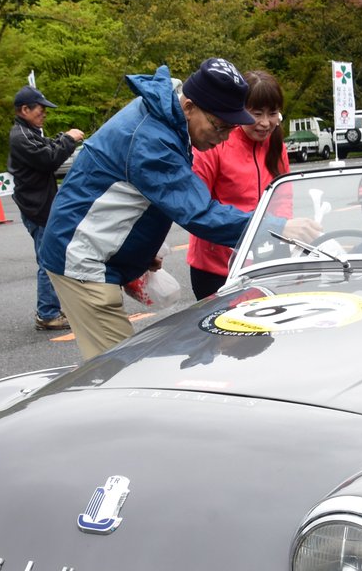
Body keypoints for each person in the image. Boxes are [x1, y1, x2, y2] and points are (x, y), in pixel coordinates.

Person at [39, 58, 321, 360]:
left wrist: (143, 248)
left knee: (116, 366)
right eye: (220, 126)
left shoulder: (168, 118)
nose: (225, 136)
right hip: (81, 258)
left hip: (94, 249)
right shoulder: (152, 139)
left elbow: (143, 196)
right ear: (189, 107)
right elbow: (199, 212)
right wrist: (273, 227)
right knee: (117, 371)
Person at [187, 70, 290, 300]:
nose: (265, 123)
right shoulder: (216, 140)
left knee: (266, 332)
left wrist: (278, 228)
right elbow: (197, 205)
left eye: (272, 113)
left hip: (263, 262)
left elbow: (283, 196)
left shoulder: (275, 143)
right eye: (256, 113)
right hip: (217, 267)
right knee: (224, 335)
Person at [7, 84, 84, 331]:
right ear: (25, 109)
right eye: (40, 109)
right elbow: (49, 158)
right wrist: (69, 139)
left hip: (40, 203)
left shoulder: (29, 132)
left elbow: (48, 148)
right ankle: (48, 313)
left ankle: (52, 309)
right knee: (48, 260)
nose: (44, 113)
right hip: (36, 207)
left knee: (54, 256)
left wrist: (63, 138)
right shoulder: (21, 136)